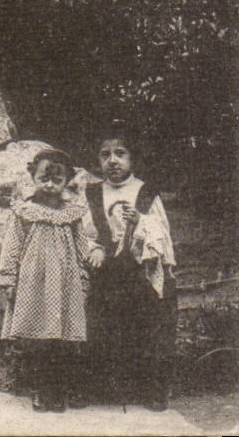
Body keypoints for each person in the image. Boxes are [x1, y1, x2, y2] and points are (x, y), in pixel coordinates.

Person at [82, 123, 177, 411]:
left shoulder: (146, 193)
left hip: (139, 271)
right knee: (101, 324)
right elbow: (84, 232)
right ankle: (104, 388)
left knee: (147, 325)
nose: (112, 161)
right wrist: (95, 248)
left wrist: (140, 223)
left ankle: (151, 389)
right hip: (106, 272)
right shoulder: (93, 193)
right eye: (105, 155)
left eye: (120, 153)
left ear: (132, 158)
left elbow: (161, 234)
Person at [0, 149, 94, 413]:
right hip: (33, 284)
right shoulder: (24, 211)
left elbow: (81, 245)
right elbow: (12, 246)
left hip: (64, 284)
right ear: (33, 177)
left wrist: (86, 270)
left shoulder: (71, 214)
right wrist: (8, 278)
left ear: (66, 182)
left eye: (57, 180)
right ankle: (38, 389)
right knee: (35, 339)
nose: (50, 185)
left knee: (62, 339)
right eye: (44, 179)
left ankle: (58, 389)